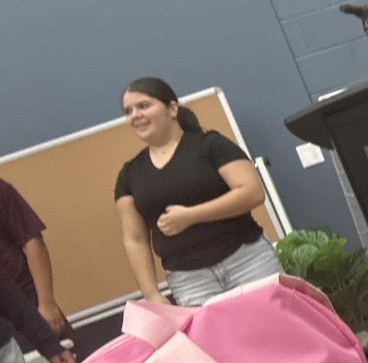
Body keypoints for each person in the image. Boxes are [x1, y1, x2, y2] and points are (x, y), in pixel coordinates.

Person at [114, 78, 280, 307]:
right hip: (189, 281)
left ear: (172, 109)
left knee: (273, 324)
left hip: (248, 261)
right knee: (215, 333)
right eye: (128, 111)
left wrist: (191, 216)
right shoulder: (129, 174)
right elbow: (135, 239)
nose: (135, 115)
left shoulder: (210, 145)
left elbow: (252, 192)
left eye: (143, 106)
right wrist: (151, 293)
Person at [0, 178, 69, 337]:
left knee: (62, 352)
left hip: (25, 300)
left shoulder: (2, 190)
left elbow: (32, 241)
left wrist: (46, 302)